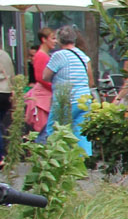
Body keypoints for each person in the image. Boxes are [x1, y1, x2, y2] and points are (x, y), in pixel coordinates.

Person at [43, 25, 95, 154]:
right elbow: (91, 80)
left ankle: (57, 157)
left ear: (60, 40)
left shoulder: (59, 55)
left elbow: (45, 76)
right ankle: (83, 161)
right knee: (81, 131)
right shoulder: (83, 56)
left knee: (56, 129)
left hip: (65, 99)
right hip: (83, 99)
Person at [23, 26, 55, 134]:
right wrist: (54, 87)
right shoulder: (41, 55)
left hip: (46, 94)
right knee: (42, 128)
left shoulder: (44, 55)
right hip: (43, 96)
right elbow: (40, 77)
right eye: (53, 38)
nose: (55, 41)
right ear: (44, 39)